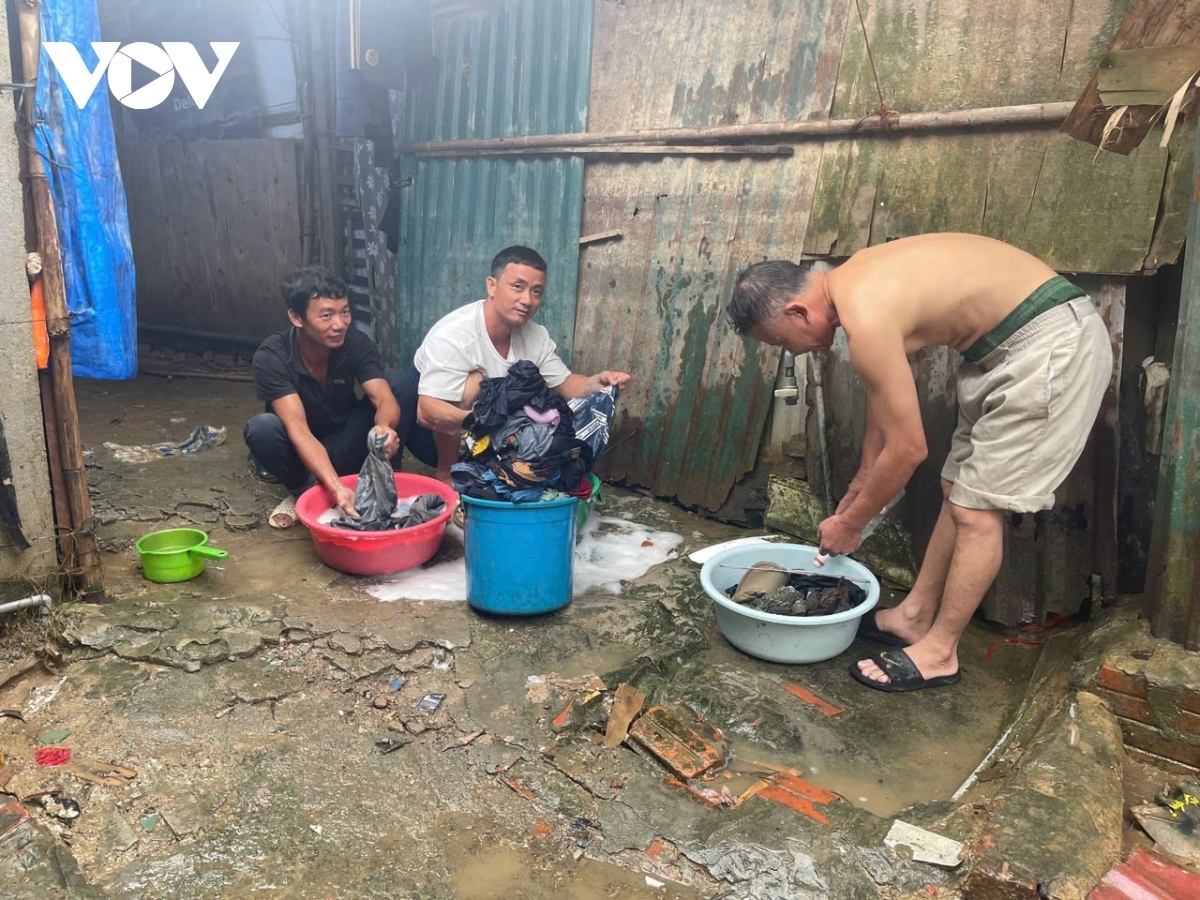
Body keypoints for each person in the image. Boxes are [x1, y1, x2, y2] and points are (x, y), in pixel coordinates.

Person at [729, 233, 1111, 692]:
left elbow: (909, 449)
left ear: (797, 311)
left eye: (781, 342)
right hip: (1001, 351)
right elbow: (882, 395)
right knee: (958, 492)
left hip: (1049, 347)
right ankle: (914, 616)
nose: (792, 352)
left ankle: (940, 653)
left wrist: (852, 524)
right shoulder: (857, 281)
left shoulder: (865, 314)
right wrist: (864, 477)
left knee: (976, 510)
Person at [407, 246, 631, 483]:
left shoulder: (535, 335)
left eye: (536, 292)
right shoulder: (454, 335)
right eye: (518, 287)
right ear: (492, 286)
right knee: (477, 381)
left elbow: (564, 384)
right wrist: (477, 421)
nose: (527, 300)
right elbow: (426, 412)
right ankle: (447, 472)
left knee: (533, 398)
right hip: (427, 432)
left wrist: (597, 383)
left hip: (485, 430)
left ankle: (491, 468)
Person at [244, 266, 418, 527]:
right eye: (326, 315)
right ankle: (306, 492)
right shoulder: (272, 356)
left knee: (398, 382)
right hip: (303, 451)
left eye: (345, 312)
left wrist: (383, 428)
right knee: (261, 428)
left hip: (347, 441)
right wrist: (336, 486)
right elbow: (298, 429)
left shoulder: (355, 342)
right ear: (296, 317)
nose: (340, 324)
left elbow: (383, 397)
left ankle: (384, 477)